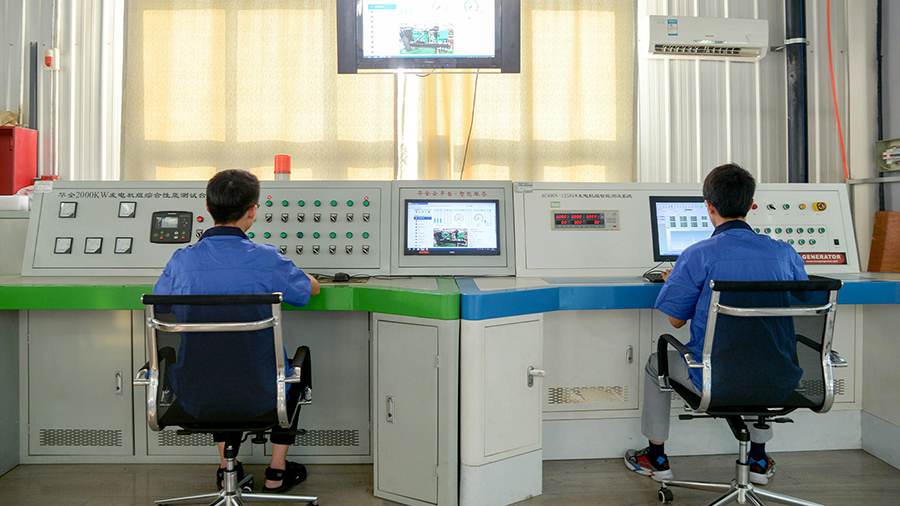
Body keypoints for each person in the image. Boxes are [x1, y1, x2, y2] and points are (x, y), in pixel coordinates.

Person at [624, 163, 808, 486]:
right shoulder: (784, 253)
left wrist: (674, 281)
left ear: (709, 207)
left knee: (657, 363)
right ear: (751, 205)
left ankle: (656, 456)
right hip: (780, 377)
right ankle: (758, 458)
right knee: (762, 352)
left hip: (715, 377)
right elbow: (801, 303)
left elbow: (676, 321)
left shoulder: (696, 255)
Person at [154, 169, 320, 493]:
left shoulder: (182, 261)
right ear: (252, 210)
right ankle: (276, 471)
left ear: (207, 207)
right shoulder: (266, 258)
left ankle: (224, 468)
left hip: (195, 395)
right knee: (298, 362)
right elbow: (308, 291)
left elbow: (161, 305)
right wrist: (307, 276)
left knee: (213, 356)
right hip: (263, 393)